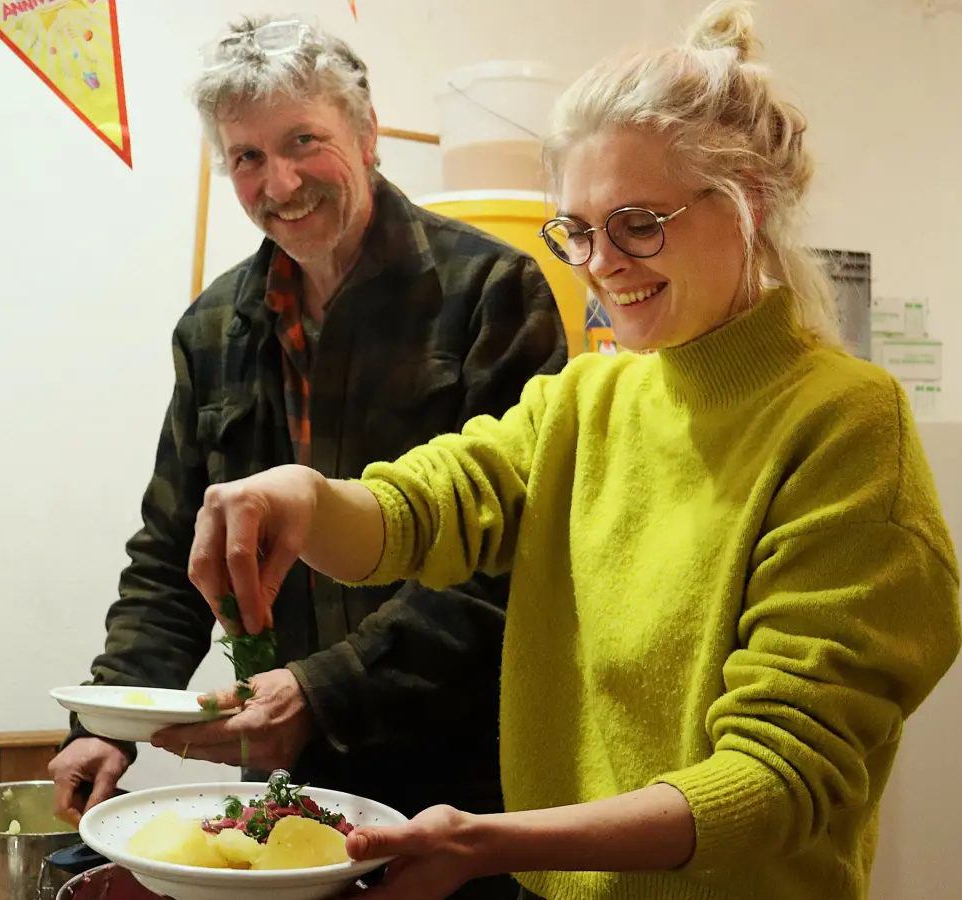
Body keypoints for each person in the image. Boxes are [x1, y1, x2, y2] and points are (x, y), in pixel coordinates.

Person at [183, 3, 962, 899]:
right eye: (579, 230)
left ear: (746, 201)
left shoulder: (846, 426)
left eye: (638, 223)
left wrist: (492, 842)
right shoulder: (592, 398)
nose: (601, 265)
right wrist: (304, 500)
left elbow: (781, 779)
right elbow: (432, 504)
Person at [47, 14, 568, 900]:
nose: (279, 182)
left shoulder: (494, 294)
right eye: (247, 157)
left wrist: (325, 689)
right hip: (287, 770)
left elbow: (514, 562)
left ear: (366, 137)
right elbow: (175, 550)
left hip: (467, 773)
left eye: (303, 141)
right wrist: (109, 720)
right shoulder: (214, 326)